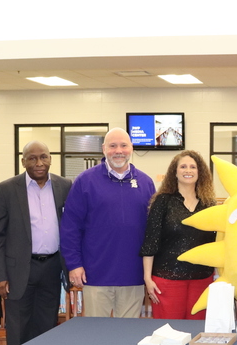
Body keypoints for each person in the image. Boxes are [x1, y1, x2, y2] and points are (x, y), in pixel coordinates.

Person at [60, 128, 156, 317]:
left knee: (127, 337)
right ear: (104, 149)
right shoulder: (85, 181)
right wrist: (74, 264)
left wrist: (149, 272)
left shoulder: (146, 183)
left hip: (133, 275)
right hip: (95, 274)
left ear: (131, 148)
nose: (118, 150)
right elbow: (70, 227)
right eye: (113, 146)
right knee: (97, 337)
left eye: (123, 145)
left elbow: (153, 232)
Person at [0, 141, 72, 345]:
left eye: (43, 157)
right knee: (18, 330)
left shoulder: (65, 186)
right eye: (32, 158)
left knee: (47, 328)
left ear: (50, 159)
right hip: (19, 271)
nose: (39, 163)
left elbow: (72, 229)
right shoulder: (6, 189)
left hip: (52, 269)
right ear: (23, 161)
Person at [140, 151, 217, 319]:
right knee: (168, 334)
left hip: (202, 280)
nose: (188, 170)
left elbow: (215, 243)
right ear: (174, 172)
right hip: (167, 280)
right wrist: (147, 278)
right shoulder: (162, 201)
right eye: (183, 166)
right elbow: (150, 242)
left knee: (197, 334)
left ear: (200, 172)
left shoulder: (209, 204)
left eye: (192, 167)